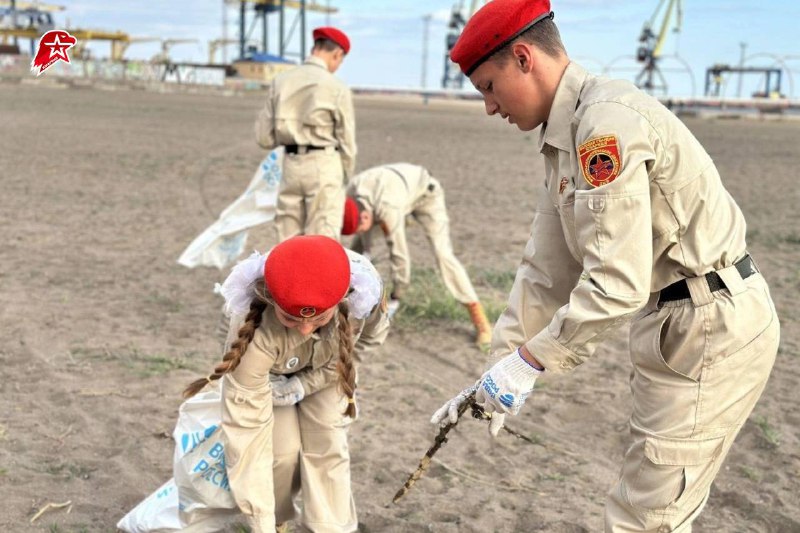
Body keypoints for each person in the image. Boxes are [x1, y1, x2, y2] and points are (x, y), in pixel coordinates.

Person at [430, 1, 780, 531]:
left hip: (708, 322)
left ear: (524, 58)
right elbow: (545, 271)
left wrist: (529, 363)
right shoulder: (563, 138)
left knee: (646, 517)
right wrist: (496, 371)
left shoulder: (604, 127)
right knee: (655, 504)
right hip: (675, 323)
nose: (489, 107)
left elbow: (616, 283)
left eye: (488, 86)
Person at [184, 235, 389, 532]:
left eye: (319, 318)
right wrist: (261, 525)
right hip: (267, 376)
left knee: (327, 442)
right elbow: (247, 435)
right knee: (280, 453)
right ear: (270, 300)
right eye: (290, 318)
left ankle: (331, 527)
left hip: (328, 369)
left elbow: (366, 342)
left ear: (341, 300)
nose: (305, 329)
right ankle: (277, 520)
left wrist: (307, 384)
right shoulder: (250, 329)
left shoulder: (365, 296)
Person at [345, 163, 492, 348]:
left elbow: (399, 255)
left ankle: (480, 320)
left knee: (443, 254)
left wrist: (396, 297)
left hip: (426, 194)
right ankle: (347, 303)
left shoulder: (387, 208)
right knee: (358, 250)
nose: (360, 231)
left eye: (359, 227)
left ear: (366, 217)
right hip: (395, 194)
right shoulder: (349, 194)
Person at [254, 26, 357, 241]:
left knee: (287, 242)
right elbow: (347, 142)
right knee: (323, 243)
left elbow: (264, 137)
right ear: (337, 54)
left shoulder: (280, 81)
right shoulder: (336, 87)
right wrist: (345, 176)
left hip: (290, 165)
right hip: (324, 164)